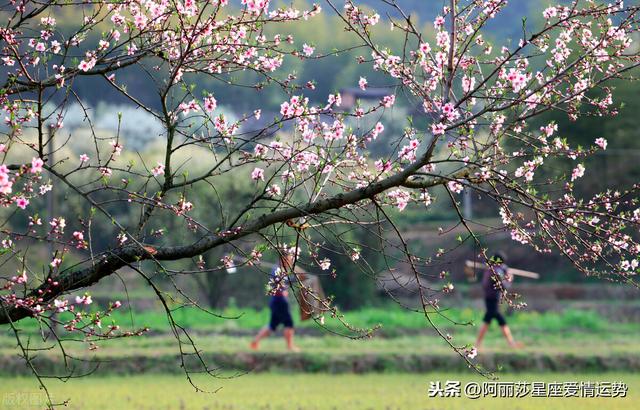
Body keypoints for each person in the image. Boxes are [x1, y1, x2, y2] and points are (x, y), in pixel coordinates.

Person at [250, 253, 300, 352]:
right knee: (289, 323)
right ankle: (290, 347)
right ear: (283, 259)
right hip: (280, 301)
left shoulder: (282, 270)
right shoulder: (276, 270)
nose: (290, 261)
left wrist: (297, 276)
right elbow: (276, 283)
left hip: (277, 301)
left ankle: (255, 342)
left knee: (272, 325)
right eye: (289, 259)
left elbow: (289, 281)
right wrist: (283, 290)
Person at [475, 252, 523, 349]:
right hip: (493, 299)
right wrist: (510, 278)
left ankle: (478, 344)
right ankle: (511, 343)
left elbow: (502, 269)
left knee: (488, 320)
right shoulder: (497, 271)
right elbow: (504, 286)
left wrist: (505, 270)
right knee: (499, 320)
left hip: (490, 298)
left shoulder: (491, 268)